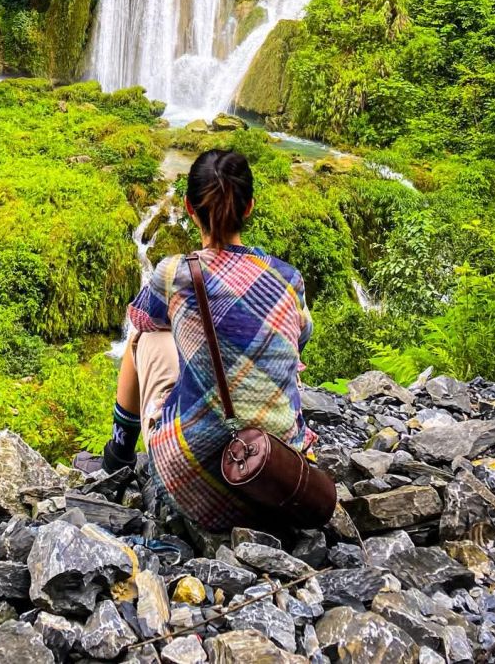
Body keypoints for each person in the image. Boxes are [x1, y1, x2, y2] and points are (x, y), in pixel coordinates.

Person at [76, 148, 315, 530]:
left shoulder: (175, 273)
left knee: (140, 338)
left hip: (194, 484)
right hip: (279, 478)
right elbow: (300, 337)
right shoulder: (289, 278)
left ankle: (116, 458)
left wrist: (193, 323)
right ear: (249, 207)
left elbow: (140, 318)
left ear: (189, 207)